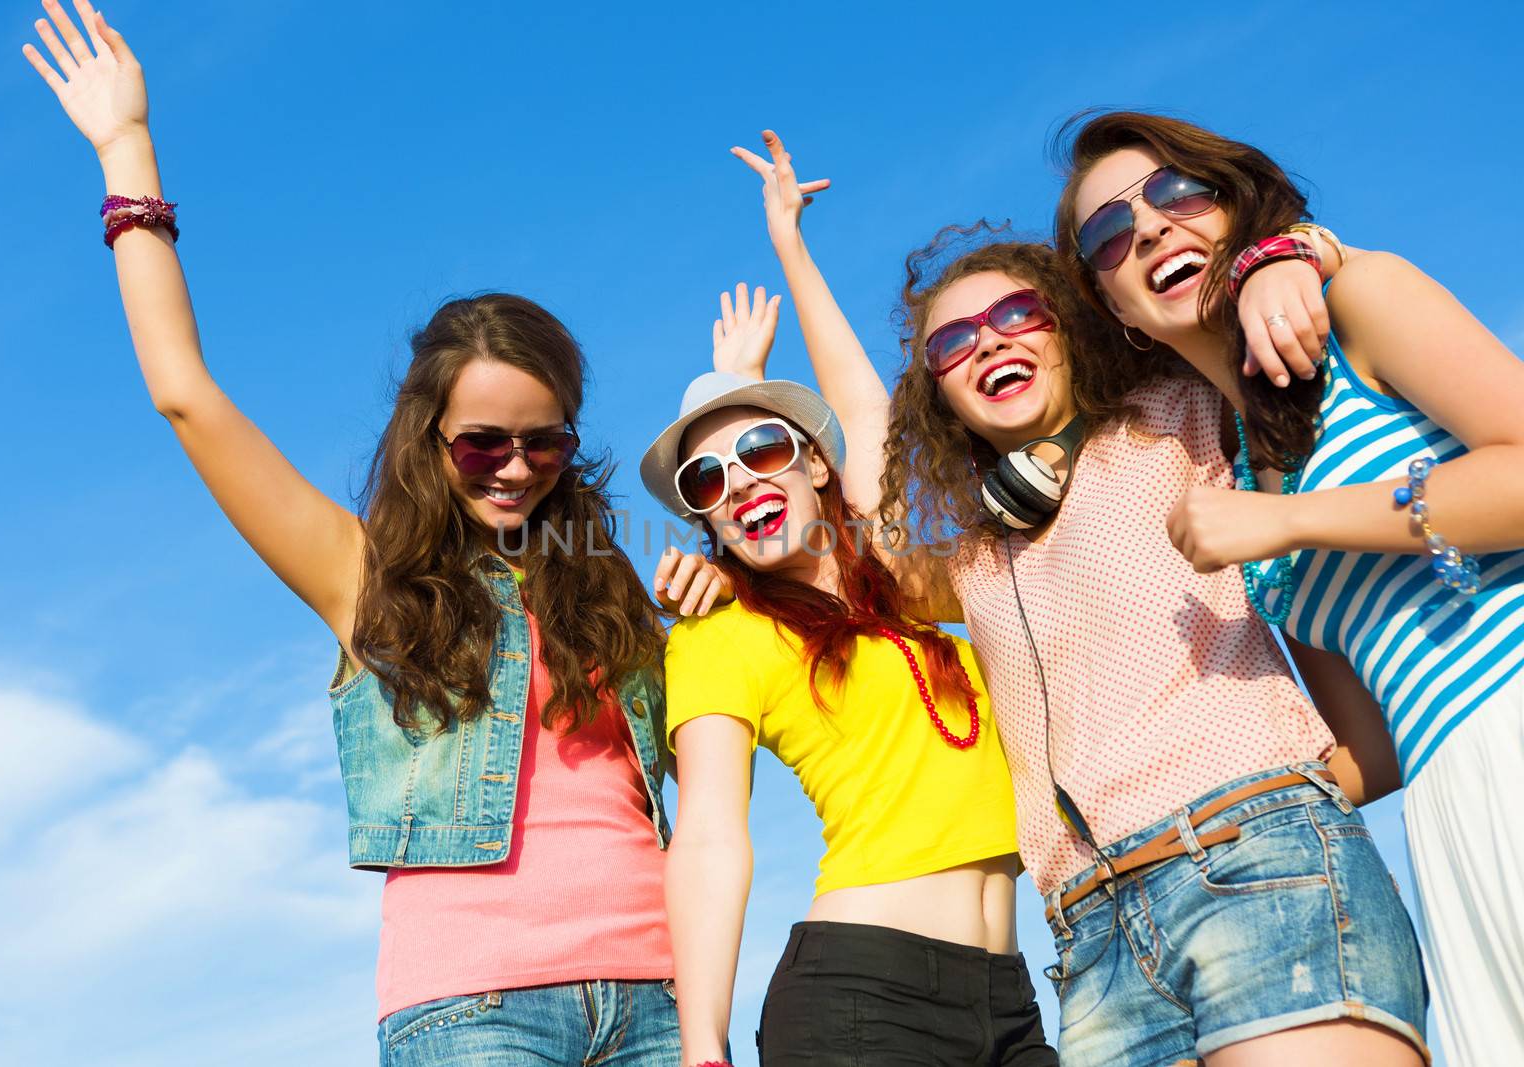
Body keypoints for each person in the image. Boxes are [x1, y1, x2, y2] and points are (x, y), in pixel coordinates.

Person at [22, 3, 682, 1063]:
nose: (515, 467)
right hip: (476, 1009)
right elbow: (185, 395)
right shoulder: (364, 572)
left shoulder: (601, 584)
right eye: (482, 444)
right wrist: (124, 149)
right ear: (430, 436)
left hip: (661, 994)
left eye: (544, 442)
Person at [712, 129, 1428, 1067]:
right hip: (1091, 951)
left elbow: (1216, 282)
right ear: (943, 397)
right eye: (953, 343)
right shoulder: (972, 559)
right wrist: (791, 262)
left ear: (1074, 322)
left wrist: (1289, 255)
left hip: (1258, 867)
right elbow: (863, 452)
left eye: (1019, 314)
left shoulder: (1186, 417)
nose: (989, 342)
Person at [1057, 109, 1524, 1064]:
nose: (1146, 226)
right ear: (1114, 308)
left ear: (1235, 207)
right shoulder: (1239, 479)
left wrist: (1296, 517)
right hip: (1451, 798)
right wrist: (1198, 829)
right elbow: (1372, 751)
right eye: (1108, 231)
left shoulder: (1360, 303)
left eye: (1176, 191)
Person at [644, 285, 1054, 1066]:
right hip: (861, 1000)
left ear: (820, 468)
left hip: (1009, 999)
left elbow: (867, 415)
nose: (739, 484)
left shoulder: (913, 588)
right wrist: (702, 1045)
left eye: (762, 450)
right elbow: (707, 837)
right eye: (707, 480)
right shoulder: (718, 636)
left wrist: (790, 252)